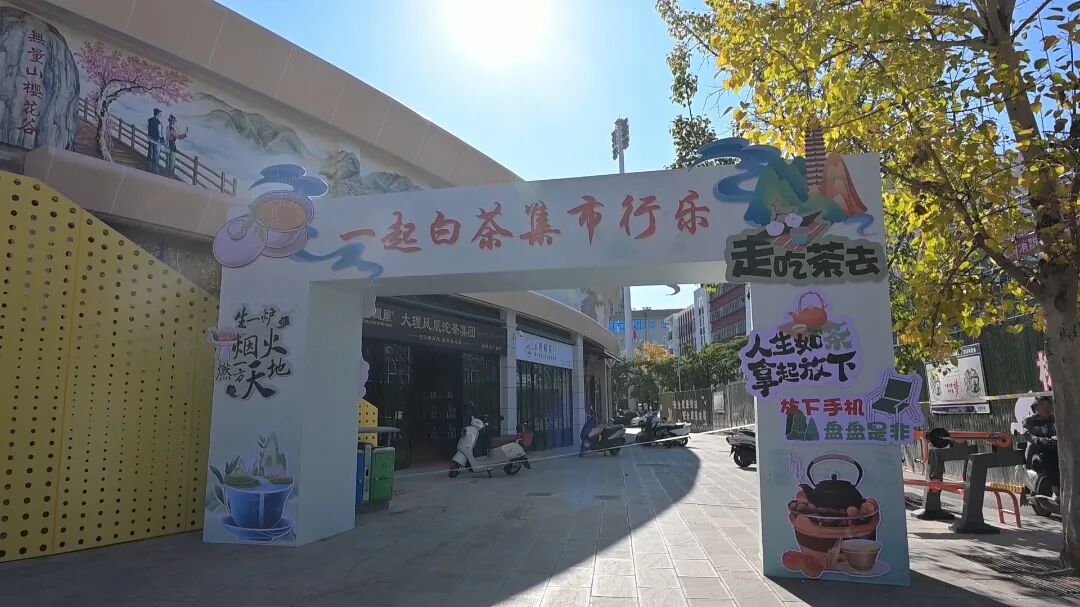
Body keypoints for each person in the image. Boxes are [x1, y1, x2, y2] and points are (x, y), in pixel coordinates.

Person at [1023, 396, 1058, 495]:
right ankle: (1054, 487)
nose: (1046, 408)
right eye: (1042, 406)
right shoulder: (1029, 420)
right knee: (1044, 457)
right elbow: (1028, 435)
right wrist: (1039, 440)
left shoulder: (1054, 418)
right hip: (1037, 449)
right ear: (1036, 407)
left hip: (1053, 447)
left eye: (1048, 405)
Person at [146, 109, 164, 174]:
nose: (161, 115)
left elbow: (147, 128)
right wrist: (163, 141)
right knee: (156, 156)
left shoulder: (149, 120)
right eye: (160, 114)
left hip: (150, 139)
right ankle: (154, 171)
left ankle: (148, 169)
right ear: (158, 114)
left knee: (150, 154)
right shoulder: (159, 123)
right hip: (156, 141)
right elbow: (160, 134)